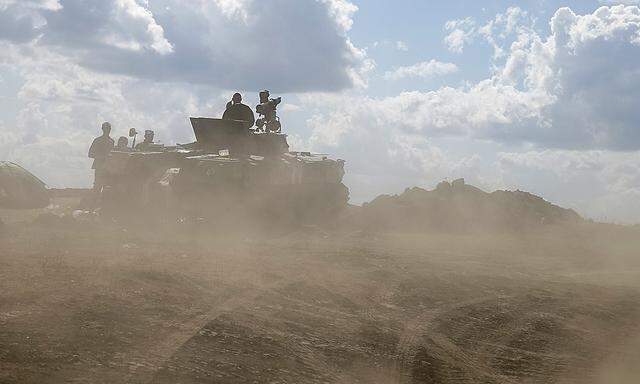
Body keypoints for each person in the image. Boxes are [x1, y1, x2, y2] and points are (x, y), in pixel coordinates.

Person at [88, 122, 115, 197]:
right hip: (99, 167)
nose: (107, 130)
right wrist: (102, 156)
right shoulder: (97, 140)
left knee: (107, 187)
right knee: (97, 187)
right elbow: (90, 154)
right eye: (105, 128)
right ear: (102, 129)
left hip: (109, 168)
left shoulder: (112, 141)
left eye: (108, 128)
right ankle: (93, 205)